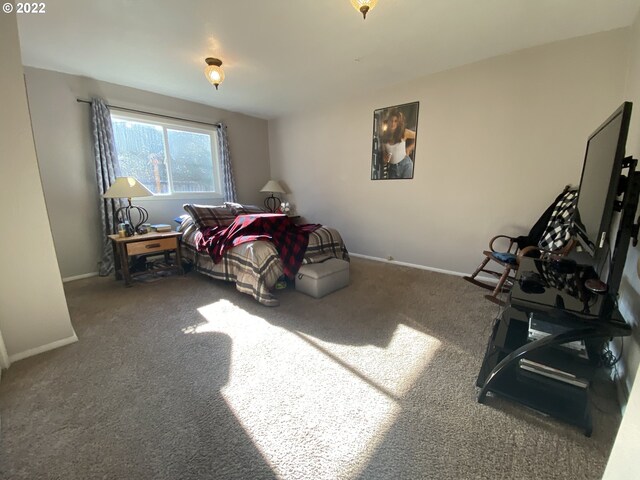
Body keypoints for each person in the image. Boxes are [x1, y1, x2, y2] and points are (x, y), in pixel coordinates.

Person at [380, 108, 416, 179]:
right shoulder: (384, 136)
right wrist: (385, 159)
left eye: (396, 121)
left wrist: (410, 148)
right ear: (388, 121)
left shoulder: (404, 133)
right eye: (391, 121)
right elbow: (384, 156)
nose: (393, 123)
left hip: (406, 166)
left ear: (399, 122)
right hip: (392, 169)